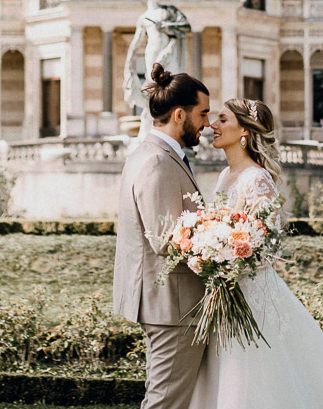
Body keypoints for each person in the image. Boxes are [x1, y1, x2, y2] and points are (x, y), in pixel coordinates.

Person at [190, 98, 323, 409]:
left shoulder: (257, 179)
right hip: (223, 291)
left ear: (245, 132)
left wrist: (230, 258)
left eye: (222, 120)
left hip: (253, 295)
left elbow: (270, 244)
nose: (212, 125)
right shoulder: (225, 176)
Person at [114, 63, 214, 409]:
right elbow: (165, 238)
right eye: (202, 114)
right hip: (173, 305)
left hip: (172, 303)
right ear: (179, 114)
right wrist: (222, 243)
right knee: (165, 402)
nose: (207, 124)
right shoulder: (157, 161)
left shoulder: (155, 154)